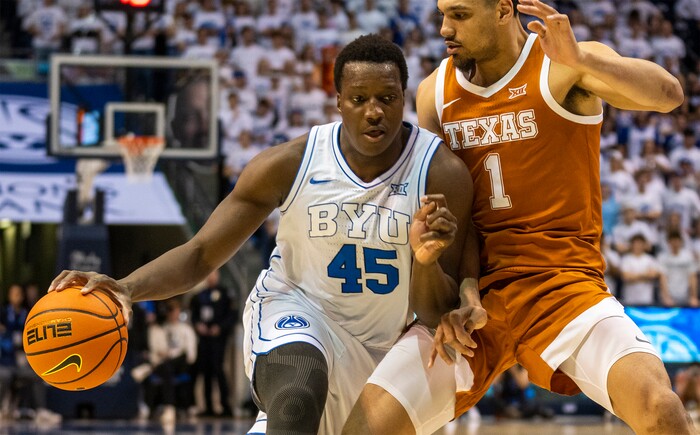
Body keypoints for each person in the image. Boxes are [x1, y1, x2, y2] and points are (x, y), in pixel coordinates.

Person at [49, 34, 474, 435]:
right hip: (298, 309)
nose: (374, 111)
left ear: (404, 97)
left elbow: (436, 312)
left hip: (384, 344)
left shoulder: (440, 173)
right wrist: (125, 287)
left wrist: (425, 260)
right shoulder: (289, 164)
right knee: (295, 397)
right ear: (339, 101)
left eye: (387, 97)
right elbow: (200, 254)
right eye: (359, 99)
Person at [344, 1, 694, 434]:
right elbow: (458, 214)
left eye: (460, 15)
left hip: (563, 288)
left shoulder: (563, 64)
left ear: (504, 11)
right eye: (442, 14)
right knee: (364, 427)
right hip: (478, 299)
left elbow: (668, 95)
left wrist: (582, 60)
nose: (444, 29)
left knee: (661, 411)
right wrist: (466, 292)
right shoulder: (434, 93)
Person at [189, 269, 235, 418]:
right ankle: (208, 406)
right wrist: (198, 325)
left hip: (218, 339)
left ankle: (225, 405)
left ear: (218, 275)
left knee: (218, 369)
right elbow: (194, 315)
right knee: (206, 370)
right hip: (204, 339)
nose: (211, 277)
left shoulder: (225, 293)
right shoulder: (199, 296)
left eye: (213, 274)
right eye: (208, 274)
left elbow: (232, 315)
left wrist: (220, 328)